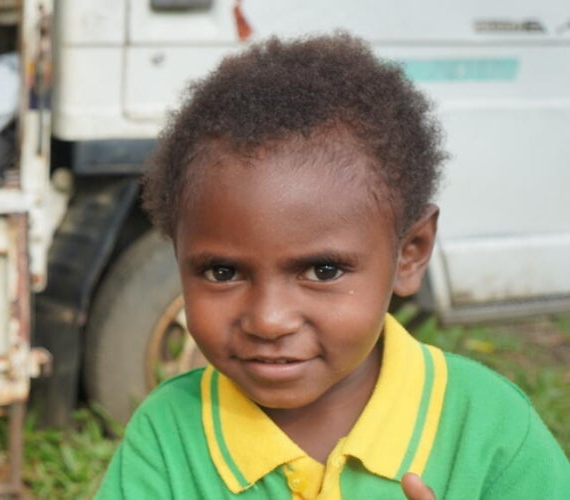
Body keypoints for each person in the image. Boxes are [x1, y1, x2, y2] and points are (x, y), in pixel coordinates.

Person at [94, 33, 569, 499]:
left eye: (323, 271)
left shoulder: (491, 429)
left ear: (411, 252)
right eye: (223, 272)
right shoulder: (167, 434)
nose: (269, 319)